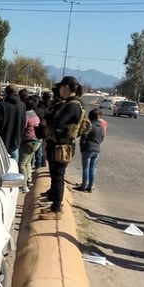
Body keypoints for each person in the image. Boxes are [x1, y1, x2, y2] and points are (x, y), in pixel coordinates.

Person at [40, 76, 84, 220]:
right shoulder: (68, 104)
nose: (59, 90)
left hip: (62, 146)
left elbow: (58, 122)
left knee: (58, 175)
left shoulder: (72, 106)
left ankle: (56, 209)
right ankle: (54, 201)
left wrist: (50, 118)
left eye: (60, 87)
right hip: (58, 144)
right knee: (54, 174)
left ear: (66, 87)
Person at [0, 86, 26, 159]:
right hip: (16, 140)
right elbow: (23, 123)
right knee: (14, 165)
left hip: (2, 140)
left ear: (6, 93)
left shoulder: (2, 105)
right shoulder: (22, 106)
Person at [75, 108, 105, 193]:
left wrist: (82, 147)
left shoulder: (89, 125)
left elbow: (83, 138)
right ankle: (90, 187)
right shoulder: (101, 127)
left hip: (88, 149)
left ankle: (84, 186)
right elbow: (102, 138)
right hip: (97, 149)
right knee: (93, 169)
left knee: (86, 168)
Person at [17, 94, 42, 189]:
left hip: (28, 142)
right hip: (37, 141)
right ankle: (28, 180)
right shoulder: (34, 114)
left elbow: (22, 128)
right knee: (27, 163)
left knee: (21, 164)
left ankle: (23, 186)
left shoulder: (26, 115)